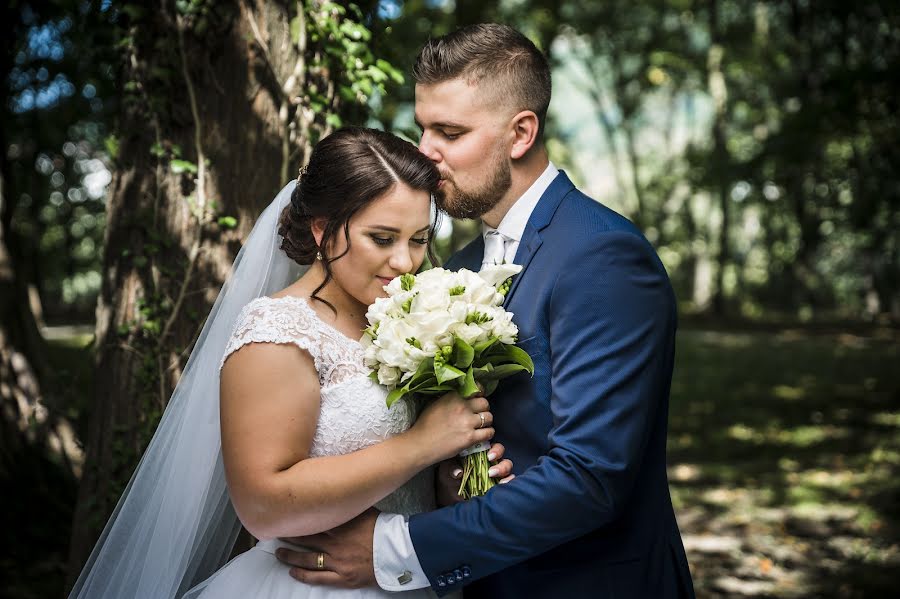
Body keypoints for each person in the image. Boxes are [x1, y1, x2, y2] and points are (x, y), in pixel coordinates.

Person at [276, 24, 696, 598]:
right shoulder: (458, 265)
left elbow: (590, 478)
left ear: (521, 132)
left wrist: (393, 549)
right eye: (423, 127)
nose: (426, 151)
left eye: (449, 131)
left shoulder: (603, 256)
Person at [68, 127, 512, 599]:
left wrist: (454, 478)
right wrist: (424, 444)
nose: (405, 261)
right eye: (381, 238)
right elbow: (264, 506)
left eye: (419, 239)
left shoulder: (412, 319)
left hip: (406, 576)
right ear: (322, 228)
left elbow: (413, 488)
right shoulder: (278, 330)